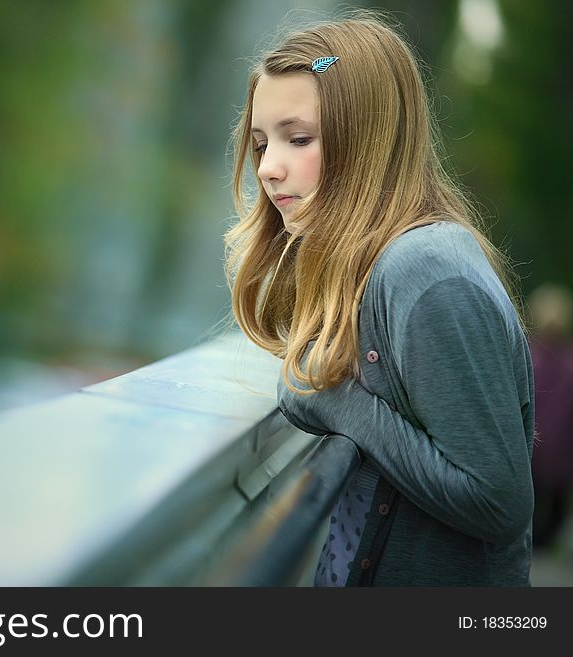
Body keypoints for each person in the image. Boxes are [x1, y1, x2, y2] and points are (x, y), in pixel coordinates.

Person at [223, 12, 534, 585]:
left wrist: (336, 400)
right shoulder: (377, 265)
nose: (267, 169)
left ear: (365, 142)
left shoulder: (426, 273)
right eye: (262, 143)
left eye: (299, 138)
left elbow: (498, 502)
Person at [527, 283, 573, 549]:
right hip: (562, 455)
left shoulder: (527, 358)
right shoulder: (569, 365)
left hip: (532, 450)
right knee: (555, 507)